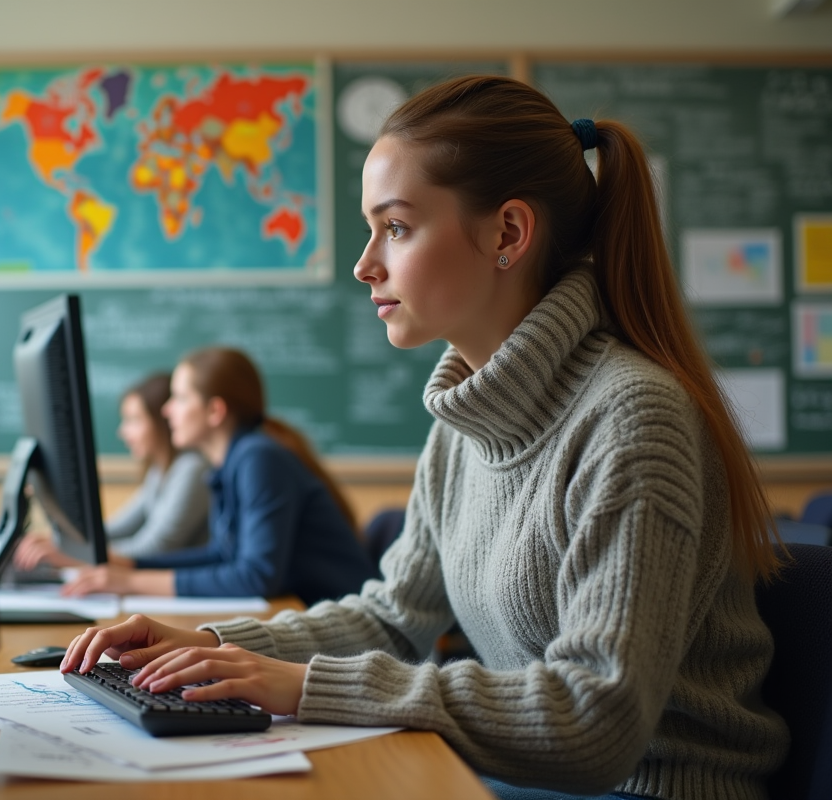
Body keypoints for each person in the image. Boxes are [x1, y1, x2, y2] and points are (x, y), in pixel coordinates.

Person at [60, 76, 789, 800]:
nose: (364, 263)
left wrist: (306, 686)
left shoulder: (633, 419)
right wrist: (216, 646)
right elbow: (392, 618)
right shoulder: (466, 424)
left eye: (397, 227)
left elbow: (595, 719)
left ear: (507, 232)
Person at [60, 347, 379, 606]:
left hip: (347, 626)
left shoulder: (258, 458)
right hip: (305, 613)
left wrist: (132, 582)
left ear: (215, 411)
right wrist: (132, 566)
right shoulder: (231, 462)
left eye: (181, 398)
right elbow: (223, 554)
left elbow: (256, 576)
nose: (168, 411)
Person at [13, 372, 209, 568]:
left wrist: (73, 557)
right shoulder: (159, 472)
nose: (123, 431)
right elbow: (115, 529)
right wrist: (58, 542)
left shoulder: (192, 468)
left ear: (163, 420)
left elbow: (154, 548)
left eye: (134, 420)